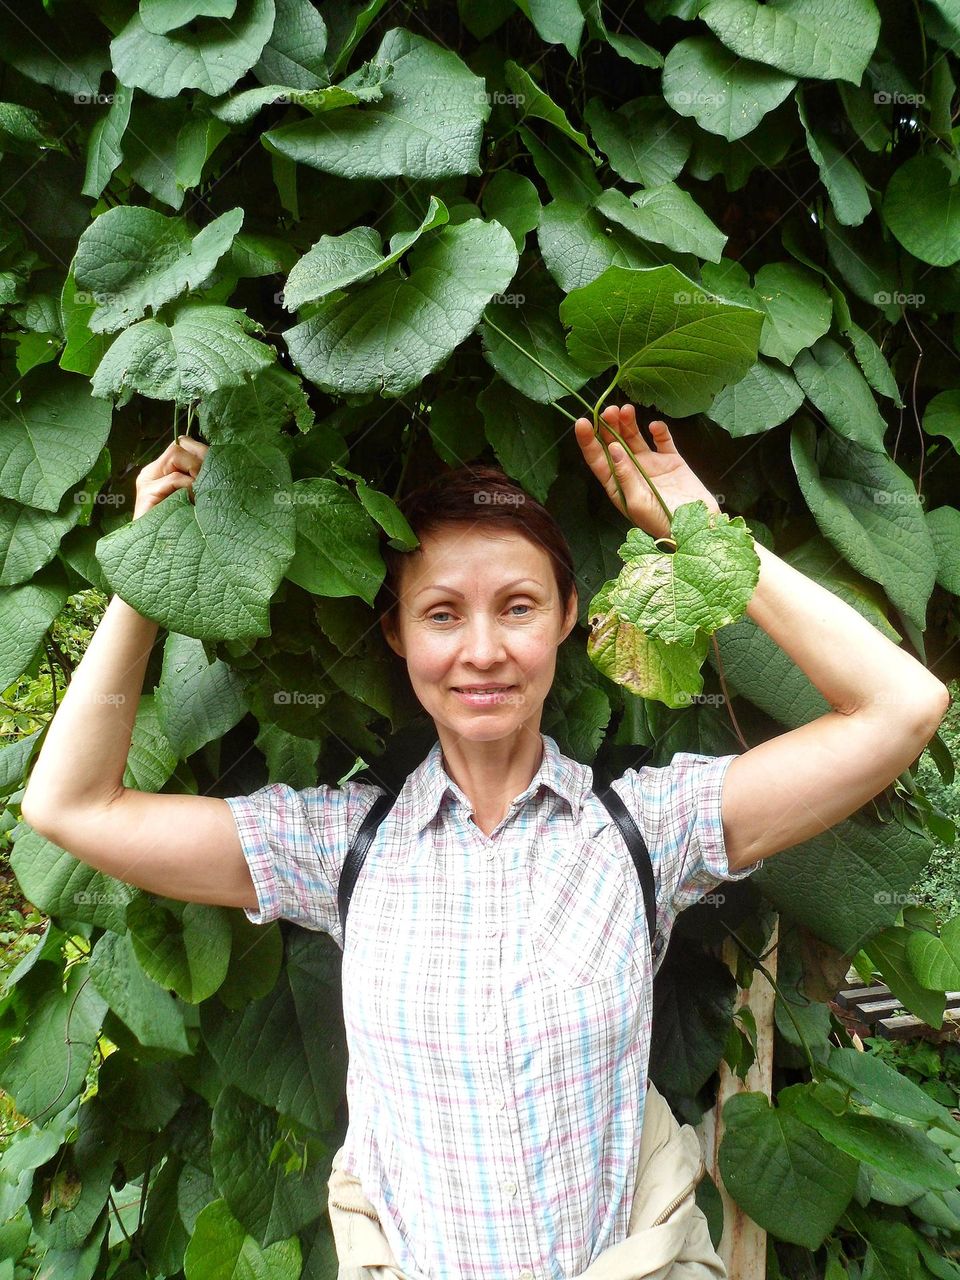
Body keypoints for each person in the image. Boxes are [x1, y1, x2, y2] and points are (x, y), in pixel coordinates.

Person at [20, 405, 950, 1280]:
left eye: (517, 606)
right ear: (396, 633)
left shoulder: (643, 832)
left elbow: (902, 707)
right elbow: (73, 806)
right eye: (441, 614)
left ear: (567, 618)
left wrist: (700, 528)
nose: (482, 650)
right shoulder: (339, 845)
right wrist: (148, 568)